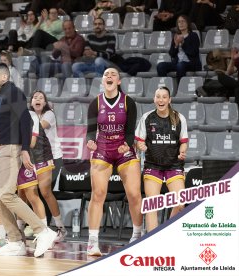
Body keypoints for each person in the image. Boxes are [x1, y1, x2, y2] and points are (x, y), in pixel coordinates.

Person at [0, 62, 57, 257]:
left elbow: (26, 121)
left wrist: (24, 150)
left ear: (4, 77)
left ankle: (43, 230)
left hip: (10, 149)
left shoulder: (13, 92)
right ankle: (15, 241)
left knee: (6, 194)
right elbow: (1, 126)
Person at [86, 67, 143, 256]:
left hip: (123, 149)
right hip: (102, 148)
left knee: (134, 194)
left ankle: (137, 235)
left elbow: (130, 131)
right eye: (106, 75)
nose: (109, 76)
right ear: (103, 81)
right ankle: (92, 242)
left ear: (118, 81)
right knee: (98, 194)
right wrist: (91, 141)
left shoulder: (128, 101)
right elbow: (90, 129)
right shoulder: (95, 103)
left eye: (113, 74)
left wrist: (127, 144)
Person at [135, 87, 188, 232]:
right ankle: (153, 239)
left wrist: (182, 152)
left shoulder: (179, 118)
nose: (161, 100)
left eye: (164, 97)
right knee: (152, 204)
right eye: (158, 97)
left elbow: (184, 142)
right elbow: (138, 141)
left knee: (181, 202)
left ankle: (167, 231)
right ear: (154, 99)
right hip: (153, 165)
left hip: (173, 165)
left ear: (169, 100)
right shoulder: (147, 118)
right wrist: (141, 145)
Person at [29, 90, 67, 239]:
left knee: (45, 192)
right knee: (32, 192)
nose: (37, 99)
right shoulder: (29, 116)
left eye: (41, 98)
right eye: (35, 97)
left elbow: (38, 128)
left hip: (53, 157)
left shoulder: (49, 114)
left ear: (45, 103)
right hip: (35, 158)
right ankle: (40, 227)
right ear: (31, 102)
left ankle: (60, 228)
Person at [156, 15, 201, 83]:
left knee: (180, 65)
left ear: (187, 23)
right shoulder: (176, 36)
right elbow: (171, 54)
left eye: (183, 21)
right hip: (177, 63)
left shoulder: (193, 35)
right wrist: (176, 45)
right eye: (179, 22)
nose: (181, 23)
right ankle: (166, 86)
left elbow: (193, 52)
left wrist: (183, 44)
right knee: (160, 66)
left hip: (191, 63)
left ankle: (180, 87)